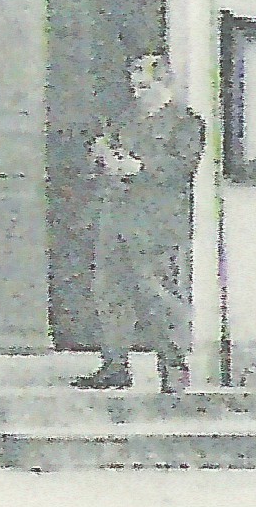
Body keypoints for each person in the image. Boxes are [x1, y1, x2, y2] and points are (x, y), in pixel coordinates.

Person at [73, 50, 210, 393]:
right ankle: (115, 365)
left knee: (160, 294)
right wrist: (101, 157)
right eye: (135, 85)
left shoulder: (187, 124)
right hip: (116, 218)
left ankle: (174, 369)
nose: (138, 92)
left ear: (164, 83)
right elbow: (98, 167)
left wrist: (141, 168)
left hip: (159, 224)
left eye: (145, 85)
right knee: (110, 292)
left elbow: (183, 168)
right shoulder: (123, 121)